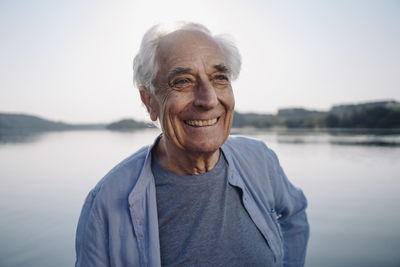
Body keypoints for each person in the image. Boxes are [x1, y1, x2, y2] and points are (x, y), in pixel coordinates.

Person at [75, 22, 309, 267]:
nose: (208, 100)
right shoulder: (106, 202)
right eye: (183, 81)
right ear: (149, 102)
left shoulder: (260, 159)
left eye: (219, 78)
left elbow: (294, 214)